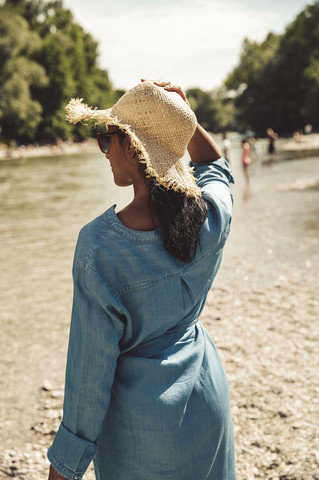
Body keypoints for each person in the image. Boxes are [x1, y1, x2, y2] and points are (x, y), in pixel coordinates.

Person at [47, 80, 236, 480]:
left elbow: (88, 374)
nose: (105, 151)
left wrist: (64, 468)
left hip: (142, 425)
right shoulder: (208, 217)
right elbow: (215, 167)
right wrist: (184, 119)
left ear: (132, 148)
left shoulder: (100, 247)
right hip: (206, 396)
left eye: (106, 140)